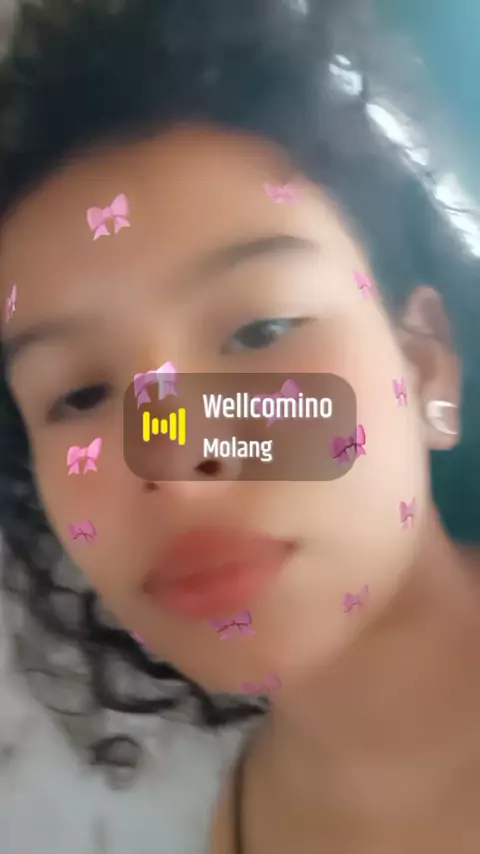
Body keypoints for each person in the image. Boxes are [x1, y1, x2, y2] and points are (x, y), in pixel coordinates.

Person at [1, 0, 480, 851]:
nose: (172, 453)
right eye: (77, 395)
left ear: (423, 367)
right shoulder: (240, 824)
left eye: (261, 331)